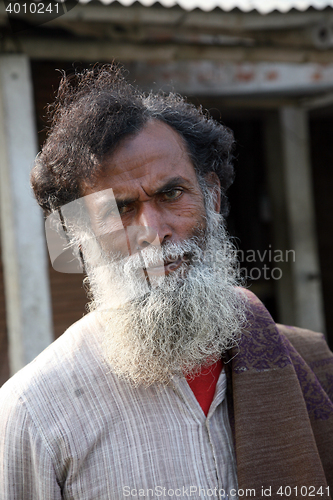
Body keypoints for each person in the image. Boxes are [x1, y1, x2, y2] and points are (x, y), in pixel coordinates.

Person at [0, 65, 332, 500]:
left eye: (171, 194)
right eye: (120, 209)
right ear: (81, 234)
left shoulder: (310, 364)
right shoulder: (36, 414)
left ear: (211, 197)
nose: (154, 231)